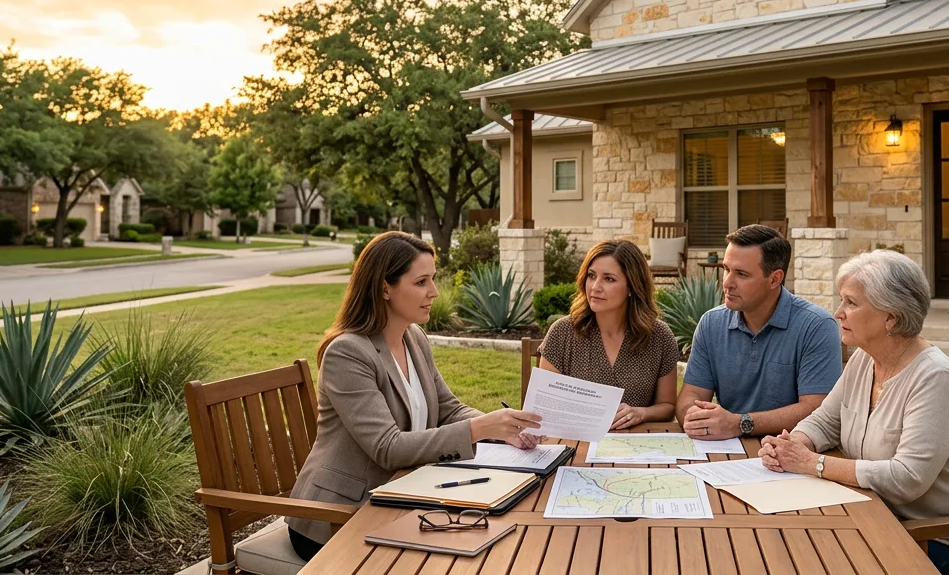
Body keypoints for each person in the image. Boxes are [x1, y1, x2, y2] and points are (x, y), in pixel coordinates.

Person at [286, 232, 543, 560]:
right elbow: (388, 448)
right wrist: (482, 429)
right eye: (421, 282)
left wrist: (505, 429)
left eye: (432, 280)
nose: (434, 292)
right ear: (384, 288)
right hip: (339, 517)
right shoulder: (347, 353)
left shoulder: (414, 338)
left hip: (402, 496)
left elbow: (448, 408)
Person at [757, 248, 949, 575]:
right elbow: (826, 421)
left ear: (892, 318)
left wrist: (811, 463)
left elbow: (907, 479)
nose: (838, 312)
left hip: (945, 540)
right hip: (877, 520)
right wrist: (793, 444)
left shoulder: (934, 377)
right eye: (841, 300)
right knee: (786, 551)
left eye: (851, 303)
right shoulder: (864, 359)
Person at [676, 224, 842, 440]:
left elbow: (818, 409)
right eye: (726, 269)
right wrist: (695, 417)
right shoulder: (711, 323)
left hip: (790, 451)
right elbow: (692, 394)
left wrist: (740, 423)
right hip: (724, 451)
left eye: (741, 274)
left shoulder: (816, 326)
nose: (727, 283)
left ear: (775, 279)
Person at [539, 239, 680, 430]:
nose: (595, 287)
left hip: (638, 447)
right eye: (591, 276)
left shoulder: (659, 336)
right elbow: (545, 407)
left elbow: (668, 407)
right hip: (576, 443)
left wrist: (641, 413)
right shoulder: (563, 333)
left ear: (632, 287)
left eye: (609, 279)